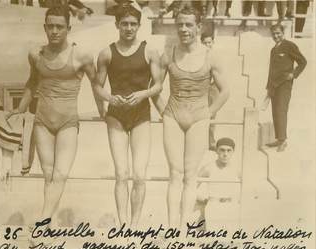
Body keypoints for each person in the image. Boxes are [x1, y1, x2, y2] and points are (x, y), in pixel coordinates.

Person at [7, 6, 102, 226]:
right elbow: (32, 82)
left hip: (68, 121)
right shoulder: (35, 54)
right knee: (49, 175)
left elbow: (96, 84)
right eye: (50, 26)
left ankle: (42, 221)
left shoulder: (81, 56)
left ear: (68, 28)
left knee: (61, 174)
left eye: (60, 27)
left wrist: (103, 112)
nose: (55, 31)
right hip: (42, 120)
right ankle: (46, 226)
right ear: (45, 28)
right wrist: (20, 109)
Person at [153, 9, 229, 229]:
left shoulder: (210, 55)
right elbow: (154, 88)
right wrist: (164, 113)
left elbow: (225, 91)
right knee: (174, 173)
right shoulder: (168, 54)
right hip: (173, 116)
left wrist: (208, 112)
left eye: (188, 25)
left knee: (190, 175)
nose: (183, 29)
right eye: (179, 25)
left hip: (198, 117)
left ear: (199, 27)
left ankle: (183, 232)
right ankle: (171, 228)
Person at [94, 2, 162, 228]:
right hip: (116, 116)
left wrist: (144, 93)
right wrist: (108, 98)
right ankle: (123, 225)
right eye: (124, 24)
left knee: (140, 175)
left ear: (139, 26)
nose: (129, 28)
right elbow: (97, 86)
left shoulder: (149, 51)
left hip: (141, 115)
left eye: (133, 24)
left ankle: (134, 224)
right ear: (117, 25)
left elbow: (158, 85)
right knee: (121, 174)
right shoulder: (106, 53)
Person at [265, 24, 307, 152]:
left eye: (278, 33)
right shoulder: (273, 49)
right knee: (275, 112)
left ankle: (283, 141)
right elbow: (271, 70)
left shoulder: (289, 45)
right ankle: (279, 139)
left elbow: (303, 61)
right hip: (273, 85)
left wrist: (293, 74)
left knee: (281, 110)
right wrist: (268, 86)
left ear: (283, 32)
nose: (276, 36)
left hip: (284, 84)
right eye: (274, 34)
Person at [195, 137, 240, 229]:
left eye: (229, 150)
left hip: (232, 206)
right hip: (213, 206)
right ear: (216, 151)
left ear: (233, 151)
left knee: (232, 240)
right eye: (222, 150)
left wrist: (239, 199)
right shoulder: (208, 167)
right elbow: (192, 185)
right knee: (214, 239)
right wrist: (200, 199)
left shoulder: (238, 169)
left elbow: (251, 189)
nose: (225, 154)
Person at [201, 31, 219, 150]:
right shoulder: (198, 56)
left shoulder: (216, 56)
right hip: (200, 88)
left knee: (211, 115)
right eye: (205, 43)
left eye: (210, 42)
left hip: (212, 89)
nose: (208, 45)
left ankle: (211, 141)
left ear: (213, 43)